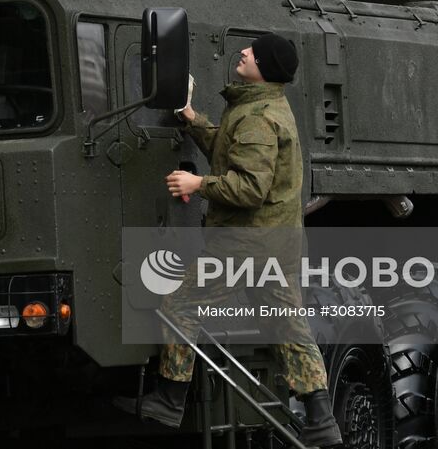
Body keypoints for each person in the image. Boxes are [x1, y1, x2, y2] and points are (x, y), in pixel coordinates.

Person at [116, 33, 342, 447]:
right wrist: (190, 115)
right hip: (273, 245)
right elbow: (229, 148)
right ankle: (321, 421)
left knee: (179, 303)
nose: (243, 52)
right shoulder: (262, 106)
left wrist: (198, 182)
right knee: (287, 328)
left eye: (253, 53)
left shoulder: (257, 116)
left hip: (246, 247)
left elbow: (250, 188)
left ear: (265, 68)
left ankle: (168, 400)